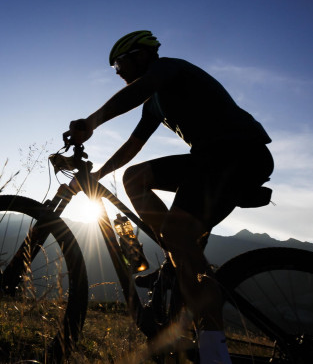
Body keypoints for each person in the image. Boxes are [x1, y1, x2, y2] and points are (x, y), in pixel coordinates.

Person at [63, 30, 273, 364]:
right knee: (135, 178)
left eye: (119, 62)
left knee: (177, 235)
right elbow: (133, 146)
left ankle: (215, 354)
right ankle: (172, 259)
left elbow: (138, 89)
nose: (117, 71)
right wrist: (97, 176)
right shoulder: (156, 101)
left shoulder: (168, 70)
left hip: (235, 154)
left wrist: (91, 122)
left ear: (141, 55)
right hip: (210, 161)